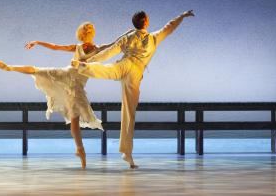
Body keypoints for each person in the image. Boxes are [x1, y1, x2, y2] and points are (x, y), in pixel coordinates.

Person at [72, 10, 195, 168]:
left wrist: (89, 61)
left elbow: (108, 53)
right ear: (145, 22)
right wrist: (182, 16)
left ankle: (84, 67)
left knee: (109, 70)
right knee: (129, 111)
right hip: (135, 71)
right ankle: (127, 153)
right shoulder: (153, 38)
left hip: (124, 64)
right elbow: (169, 27)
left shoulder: (129, 37)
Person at [0, 22, 115, 169]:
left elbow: (55, 47)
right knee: (74, 119)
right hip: (74, 84)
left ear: (81, 34)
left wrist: (37, 42)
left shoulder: (80, 47)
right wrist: (131, 33)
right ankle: (80, 150)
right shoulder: (97, 49)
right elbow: (115, 44)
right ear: (91, 34)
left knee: (37, 70)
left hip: (67, 76)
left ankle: (10, 67)